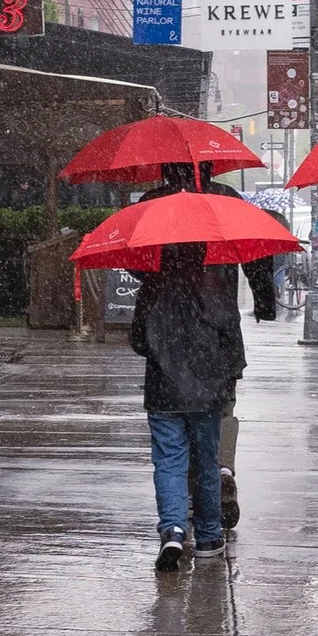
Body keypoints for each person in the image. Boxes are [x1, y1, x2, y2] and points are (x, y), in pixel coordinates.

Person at [138, 162, 275, 530]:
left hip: (167, 332)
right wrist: (264, 299)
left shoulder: (153, 204)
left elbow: (139, 266)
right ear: (212, 167)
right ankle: (221, 469)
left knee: (173, 419)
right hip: (218, 328)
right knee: (219, 409)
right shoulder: (227, 201)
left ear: (165, 169)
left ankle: (180, 511)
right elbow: (256, 251)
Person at [129, 238, 247, 571]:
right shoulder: (217, 288)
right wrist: (223, 377)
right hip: (207, 393)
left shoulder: (152, 287)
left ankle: (174, 529)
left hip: (164, 391)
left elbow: (138, 341)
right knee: (206, 462)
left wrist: (164, 354)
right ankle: (209, 537)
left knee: (169, 461)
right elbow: (233, 346)